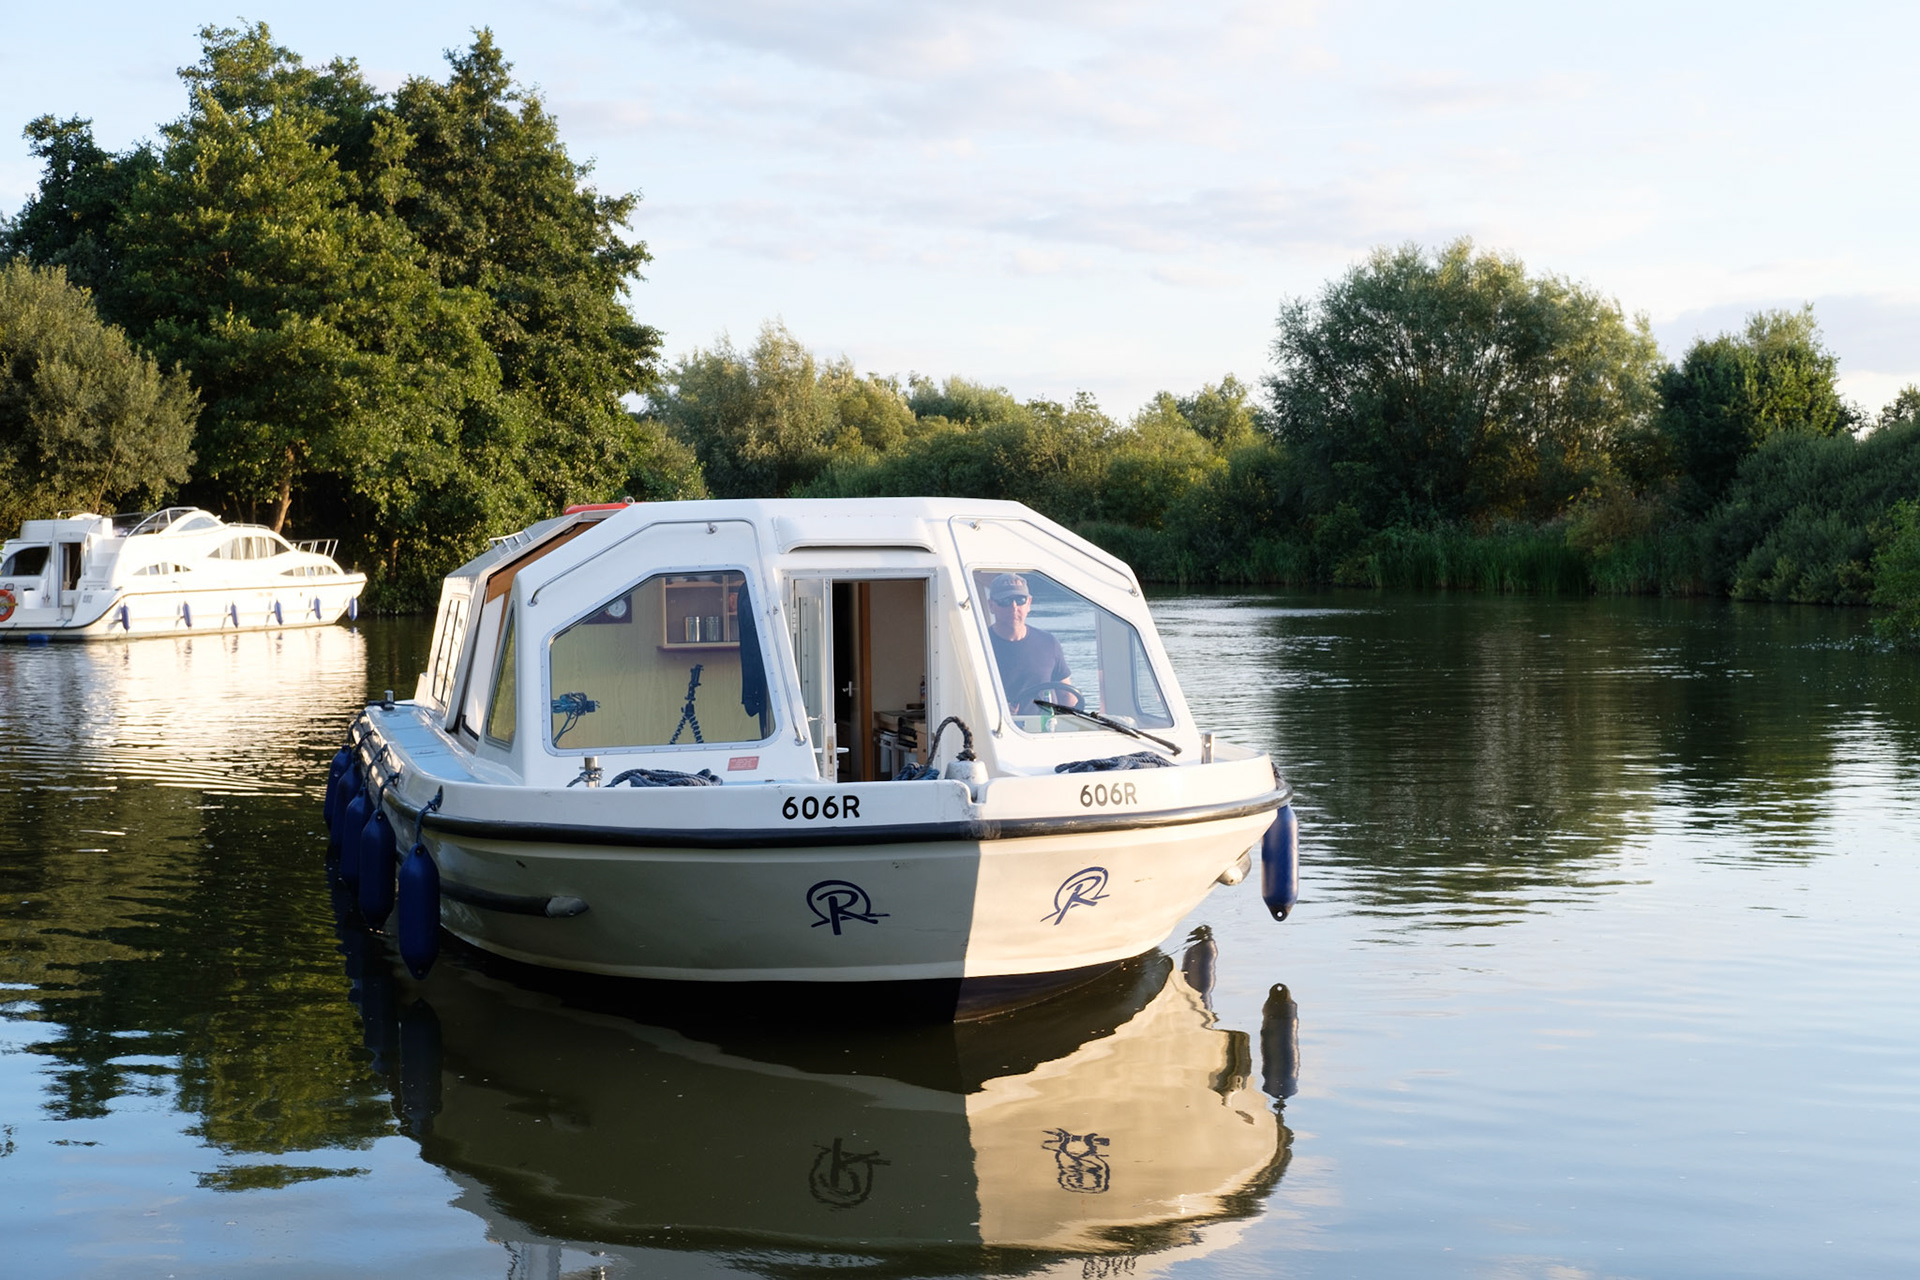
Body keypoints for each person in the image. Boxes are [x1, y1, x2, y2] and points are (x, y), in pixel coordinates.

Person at [984, 572, 1079, 714]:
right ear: (991, 605)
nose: (1014, 607)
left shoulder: (1049, 644)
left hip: (1042, 731)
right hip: (995, 730)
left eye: (1020, 600)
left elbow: (1067, 696)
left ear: (1029, 603)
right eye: (1005, 601)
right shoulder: (979, 645)